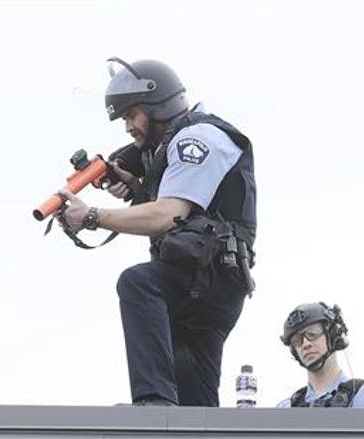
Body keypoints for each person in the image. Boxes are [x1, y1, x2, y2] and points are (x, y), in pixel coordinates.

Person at [58, 57, 256, 406]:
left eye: (132, 115)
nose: (128, 128)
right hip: (208, 281)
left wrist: (91, 216)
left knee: (139, 283)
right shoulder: (171, 146)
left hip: (206, 278)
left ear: (157, 104)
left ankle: (153, 406)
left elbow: (168, 215)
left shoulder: (197, 138)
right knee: (196, 400)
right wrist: (138, 187)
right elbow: (191, 209)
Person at [276, 303, 364, 408]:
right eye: (297, 340)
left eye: (312, 334)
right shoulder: (285, 410)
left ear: (333, 335)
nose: (306, 344)